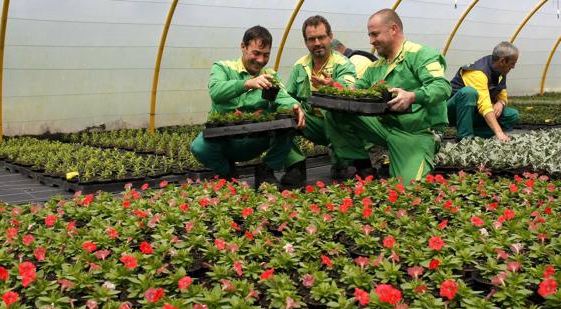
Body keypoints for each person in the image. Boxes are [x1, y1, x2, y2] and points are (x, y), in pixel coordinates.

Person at [325, 9, 451, 185]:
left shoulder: (420, 55)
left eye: (375, 34)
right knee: (336, 110)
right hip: (384, 128)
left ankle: (409, 157)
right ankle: (363, 165)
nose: (371, 41)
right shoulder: (376, 67)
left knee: (410, 191)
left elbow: (442, 86)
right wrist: (336, 88)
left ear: (393, 29)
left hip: (414, 133)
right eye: (369, 35)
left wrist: (412, 96)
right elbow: (355, 91)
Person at [190, 25, 305, 188]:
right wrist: (247, 83)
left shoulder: (269, 75)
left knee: (289, 124)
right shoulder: (223, 68)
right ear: (243, 47)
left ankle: (267, 170)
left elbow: (282, 96)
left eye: (266, 55)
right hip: (226, 141)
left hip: (257, 141)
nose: (261, 60)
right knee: (199, 147)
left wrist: (295, 106)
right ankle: (227, 172)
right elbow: (216, 91)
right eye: (256, 53)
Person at [280, 15, 357, 186]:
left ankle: (343, 163)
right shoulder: (300, 66)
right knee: (283, 115)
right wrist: (291, 106)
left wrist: (333, 86)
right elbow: (287, 96)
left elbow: (350, 89)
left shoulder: (343, 63)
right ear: (306, 42)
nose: (317, 43)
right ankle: (295, 166)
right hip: (312, 124)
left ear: (330, 37)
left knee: (335, 112)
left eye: (321, 37)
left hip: (339, 124)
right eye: (311, 39)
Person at [448, 42, 520, 142]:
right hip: (453, 112)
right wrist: (499, 132)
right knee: (469, 92)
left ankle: (476, 134)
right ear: (502, 61)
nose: (513, 67)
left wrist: (500, 103)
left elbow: (502, 94)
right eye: (512, 63)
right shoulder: (478, 72)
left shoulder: (500, 70)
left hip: (474, 112)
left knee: (512, 115)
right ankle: (464, 139)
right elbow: (484, 105)